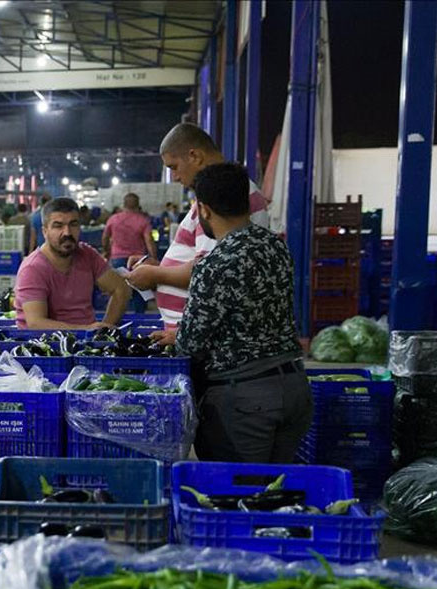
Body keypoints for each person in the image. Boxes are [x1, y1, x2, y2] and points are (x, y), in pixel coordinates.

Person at [155, 162, 311, 463]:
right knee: (277, 493)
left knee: (239, 494)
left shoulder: (215, 264)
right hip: (294, 389)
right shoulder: (276, 248)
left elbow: (192, 345)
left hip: (246, 402)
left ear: (204, 209)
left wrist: (180, 336)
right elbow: (252, 313)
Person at [128, 123, 270, 329]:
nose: (175, 177)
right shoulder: (227, 192)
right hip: (193, 331)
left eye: (174, 167)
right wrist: (159, 266)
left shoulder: (222, 197)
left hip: (199, 333)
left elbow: (210, 272)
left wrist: (154, 275)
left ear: (195, 156)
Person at [13, 197, 131, 330]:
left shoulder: (87, 255)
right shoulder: (33, 268)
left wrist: (104, 328)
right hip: (45, 344)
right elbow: (36, 323)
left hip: (86, 344)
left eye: (73, 224)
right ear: (45, 231)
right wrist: (85, 330)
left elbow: (121, 289)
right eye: (58, 226)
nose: (67, 232)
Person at [102, 193, 159, 313]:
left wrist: (106, 252)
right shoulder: (143, 221)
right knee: (140, 290)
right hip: (138, 261)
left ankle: (117, 317)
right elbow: (149, 241)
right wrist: (153, 259)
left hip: (117, 259)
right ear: (138, 205)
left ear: (123, 204)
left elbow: (105, 238)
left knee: (118, 290)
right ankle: (139, 317)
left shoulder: (113, 219)